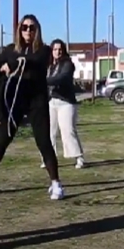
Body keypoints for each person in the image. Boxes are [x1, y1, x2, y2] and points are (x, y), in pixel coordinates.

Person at [0, 15, 65, 200]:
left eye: (32, 28)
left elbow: (32, 63)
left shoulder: (44, 50)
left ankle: (56, 183)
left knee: (43, 141)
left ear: (37, 30)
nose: (28, 31)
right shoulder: (10, 50)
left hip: (37, 101)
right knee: (4, 138)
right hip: (15, 102)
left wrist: (12, 64)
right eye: (25, 27)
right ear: (19, 30)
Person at [47, 39, 86, 169]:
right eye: (55, 49)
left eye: (60, 49)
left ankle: (79, 157)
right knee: (49, 132)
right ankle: (48, 159)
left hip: (66, 103)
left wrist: (43, 81)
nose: (57, 52)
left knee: (68, 130)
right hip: (51, 102)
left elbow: (61, 78)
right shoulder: (49, 65)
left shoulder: (68, 64)